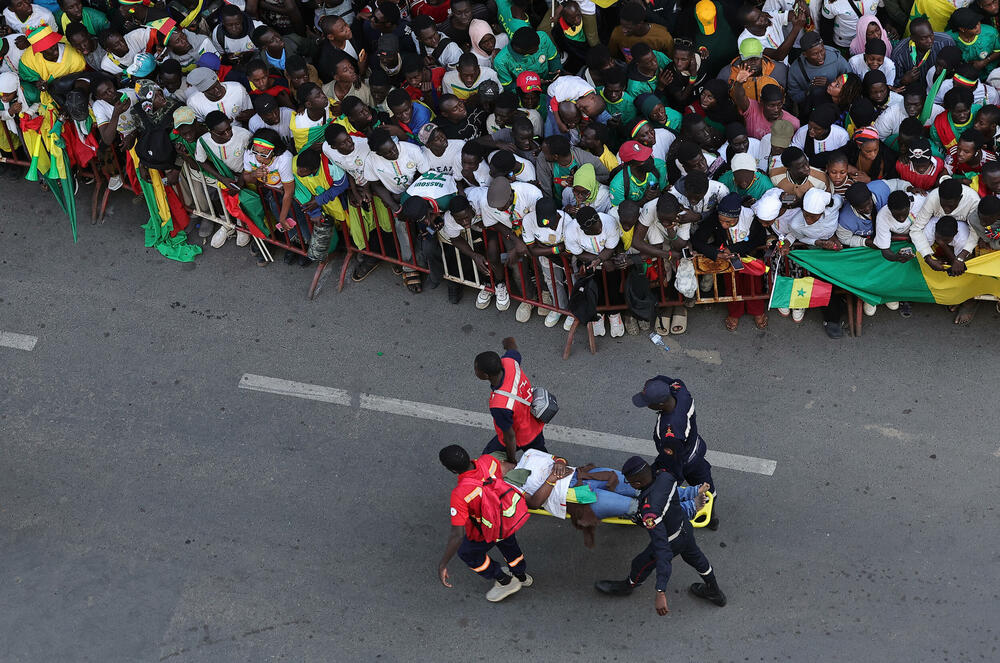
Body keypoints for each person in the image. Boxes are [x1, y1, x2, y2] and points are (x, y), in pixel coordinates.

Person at [594, 455, 727, 614]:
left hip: (671, 539)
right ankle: (715, 591)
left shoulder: (650, 511)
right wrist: (693, 491)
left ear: (637, 484)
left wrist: (660, 590)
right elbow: (675, 496)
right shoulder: (665, 476)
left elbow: (662, 548)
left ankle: (628, 586)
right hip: (684, 526)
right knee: (696, 558)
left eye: (629, 482)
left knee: (640, 563)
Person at [437, 445, 533, 603]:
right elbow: (506, 469)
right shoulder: (489, 461)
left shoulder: (460, 495)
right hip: (505, 519)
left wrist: (443, 564)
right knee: (510, 546)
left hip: (484, 531)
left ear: (452, 470)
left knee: (467, 553)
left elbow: (457, 534)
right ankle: (520, 575)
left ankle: (504, 581)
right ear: (468, 457)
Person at [474, 336, 546, 463]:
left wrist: (511, 460)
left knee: (487, 458)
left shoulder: (499, 404)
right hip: (535, 426)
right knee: (542, 458)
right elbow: (513, 349)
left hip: (521, 436)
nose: (475, 371)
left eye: (476, 369)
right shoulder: (510, 362)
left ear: (485, 375)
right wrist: (508, 342)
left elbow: (510, 436)